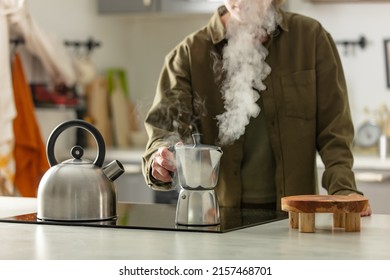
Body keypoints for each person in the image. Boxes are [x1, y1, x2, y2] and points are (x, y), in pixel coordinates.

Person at [142, 0, 372, 216]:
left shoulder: (311, 39)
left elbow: (335, 133)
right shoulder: (189, 54)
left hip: (296, 218)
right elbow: (164, 131)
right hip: (219, 218)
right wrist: (161, 160)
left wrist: (343, 191)